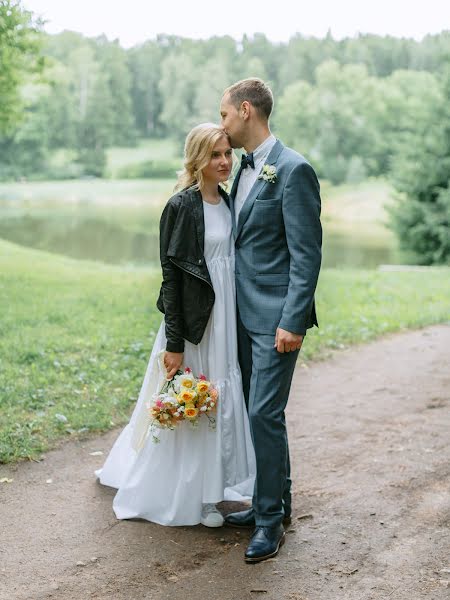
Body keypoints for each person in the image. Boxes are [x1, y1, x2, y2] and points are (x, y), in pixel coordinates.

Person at [96, 123, 255, 528]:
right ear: (197, 160)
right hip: (195, 322)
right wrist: (175, 340)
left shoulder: (230, 200)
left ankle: (216, 486)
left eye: (227, 154)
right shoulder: (181, 207)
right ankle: (195, 496)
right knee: (193, 396)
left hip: (225, 318)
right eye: (214, 155)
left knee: (221, 393)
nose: (224, 162)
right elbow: (171, 278)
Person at [220, 78, 322, 562]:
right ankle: (274, 504)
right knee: (255, 411)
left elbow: (307, 256)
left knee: (264, 412)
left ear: (245, 110)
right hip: (240, 317)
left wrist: (294, 321)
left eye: (224, 115)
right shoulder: (243, 170)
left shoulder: (293, 170)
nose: (223, 125)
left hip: (278, 319)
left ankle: (267, 525)